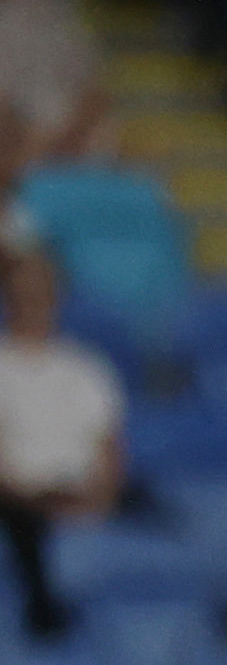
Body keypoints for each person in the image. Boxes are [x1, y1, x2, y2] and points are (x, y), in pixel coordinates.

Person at [0, 239, 128, 640]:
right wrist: (30, 496)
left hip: (78, 497)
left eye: (41, 290)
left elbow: (110, 448)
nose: (32, 300)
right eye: (24, 292)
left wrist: (96, 499)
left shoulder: (85, 369)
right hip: (18, 502)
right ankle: (44, 621)